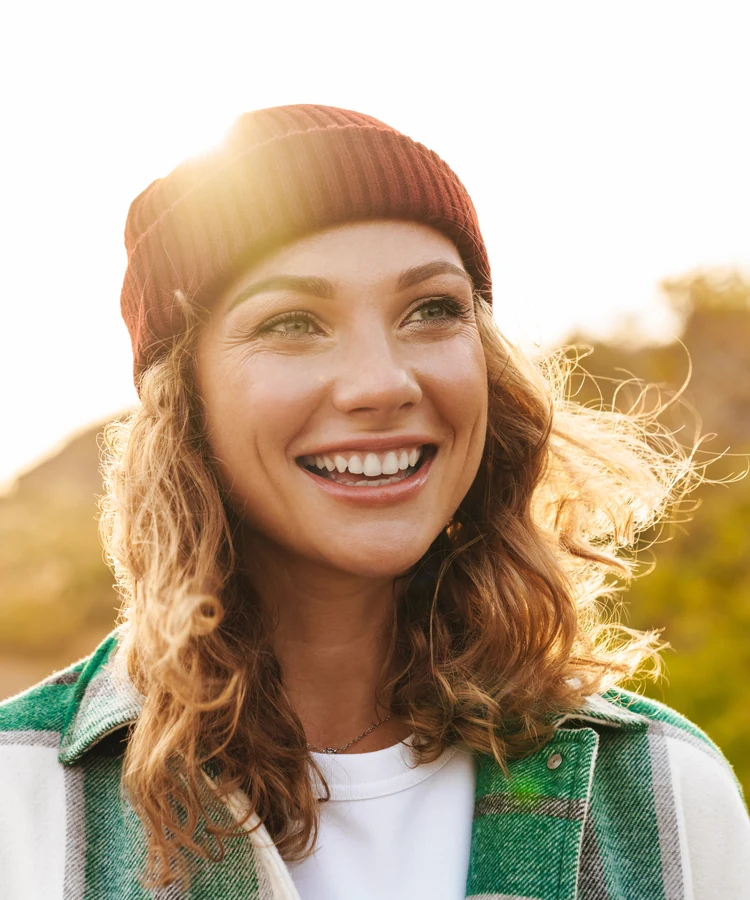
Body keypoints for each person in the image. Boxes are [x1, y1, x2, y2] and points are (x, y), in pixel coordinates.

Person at [0, 104, 748, 900]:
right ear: (186, 400)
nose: (384, 382)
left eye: (432, 311)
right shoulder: (22, 804)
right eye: (293, 322)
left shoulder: (667, 795)